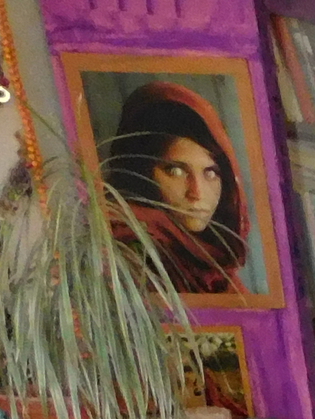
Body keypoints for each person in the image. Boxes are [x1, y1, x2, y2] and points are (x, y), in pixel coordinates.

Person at [100, 82, 250, 297]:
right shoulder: (130, 255)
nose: (196, 193)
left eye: (210, 173)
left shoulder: (216, 272)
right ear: (142, 172)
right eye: (176, 171)